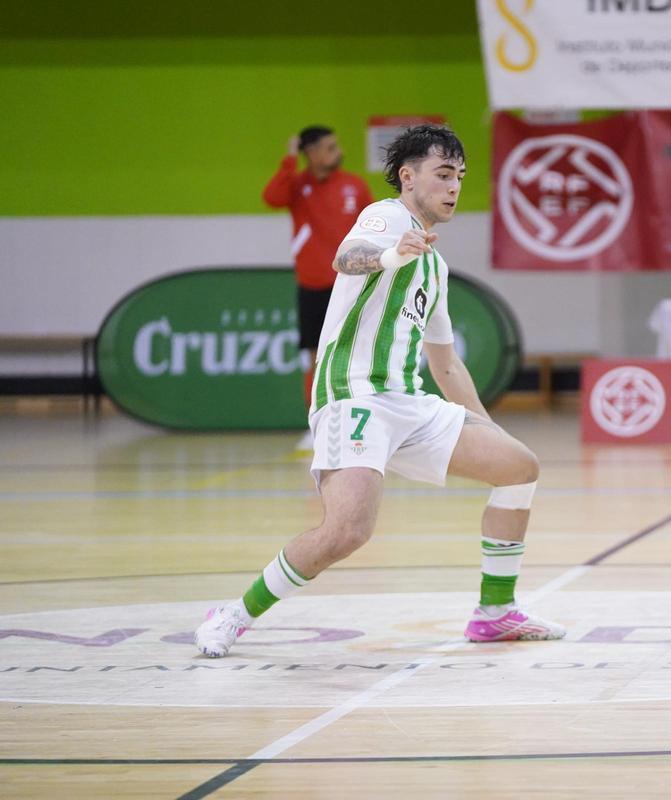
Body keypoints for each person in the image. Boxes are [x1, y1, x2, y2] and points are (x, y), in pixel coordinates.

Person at [197, 125, 565, 657]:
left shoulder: (435, 267)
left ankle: (495, 614)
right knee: (347, 532)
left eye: (459, 177)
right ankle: (234, 613)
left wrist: (486, 427)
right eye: (443, 174)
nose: (453, 187)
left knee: (517, 465)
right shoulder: (387, 216)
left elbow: (447, 365)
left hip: (407, 402)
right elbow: (345, 257)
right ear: (408, 176)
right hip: (353, 394)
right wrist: (392, 254)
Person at [262, 125, 372, 409]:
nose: (339, 152)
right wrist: (289, 159)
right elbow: (272, 197)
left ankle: (358, 411)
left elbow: (373, 230)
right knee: (317, 355)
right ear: (310, 153)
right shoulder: (297, 186)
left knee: (357, 351)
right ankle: (318, 417)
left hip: (352, 282)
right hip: (312, 284)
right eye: (330, 148)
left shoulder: (355, 185)